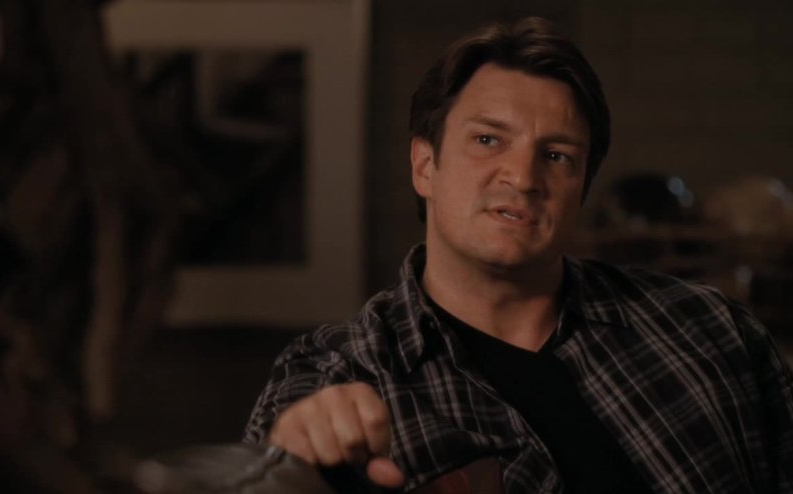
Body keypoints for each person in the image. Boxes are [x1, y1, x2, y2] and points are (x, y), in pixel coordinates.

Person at [244, 17, 793, 493]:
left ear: (581, 187)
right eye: (488, 140)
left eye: (557, 155)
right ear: (425, 166)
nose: (524, 177)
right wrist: (288, 466)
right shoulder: (335, 373)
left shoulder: (711, 330)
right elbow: (274, 464)